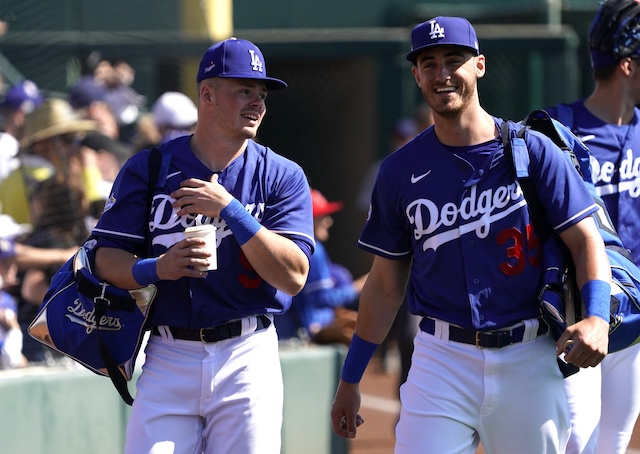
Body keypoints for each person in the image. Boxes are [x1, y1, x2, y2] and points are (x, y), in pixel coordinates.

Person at [330, 16, 612, 453]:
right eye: (429, 63)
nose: (442, 74)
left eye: (454, 60)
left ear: (479, 65)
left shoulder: (533, 151)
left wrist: (596, 315)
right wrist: (350, 378)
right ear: (416, 75)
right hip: (440, 359)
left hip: (529, 353)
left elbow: (586, 240)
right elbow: (385, 286)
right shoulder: (399, 172)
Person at [91, 37, 314, 454]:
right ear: (207, 94)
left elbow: (295, 275)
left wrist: (232, 210)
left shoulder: (282, 175)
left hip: (247, 353)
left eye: (261, 94)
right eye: (244, 90)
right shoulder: (150, 167)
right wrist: (157, 268)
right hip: (167, 352)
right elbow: (105, 259)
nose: (257, 103)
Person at [544, 1, 640, 452]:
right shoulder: (558, 131)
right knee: (576, 438)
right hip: (578, 312)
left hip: (636, 316)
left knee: (613, 442)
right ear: (627, 65)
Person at [275, 188, 367, 346]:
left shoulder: (285, 244)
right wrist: (358, 287)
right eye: (321, 215)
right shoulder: (314, 250)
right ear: (307, 220)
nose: (328, 220)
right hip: (302, 337)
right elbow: (321, 298)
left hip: (282, 333)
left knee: (339, 275)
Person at [0, 80, 44, 181]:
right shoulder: (5, 147)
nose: (37, 118)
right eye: (35, 113)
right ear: (19, 114)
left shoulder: (17, 144)